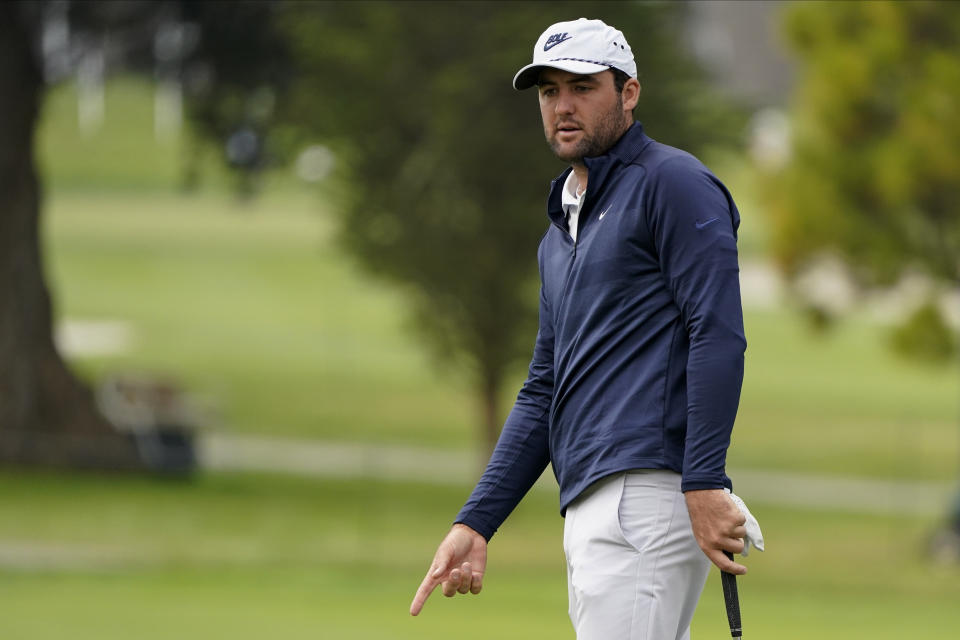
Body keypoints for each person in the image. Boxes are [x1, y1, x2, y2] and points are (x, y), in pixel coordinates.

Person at [410, 17, 763, 639]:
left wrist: (705, 479)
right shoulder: (561, 231)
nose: (562, 106)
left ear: (628, 92)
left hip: (647, 494)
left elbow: (718, 333)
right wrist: (477, 521)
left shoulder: (673, 185)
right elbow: (545, 387)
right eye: (549, 92)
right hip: (593, 498)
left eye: (581, 86)